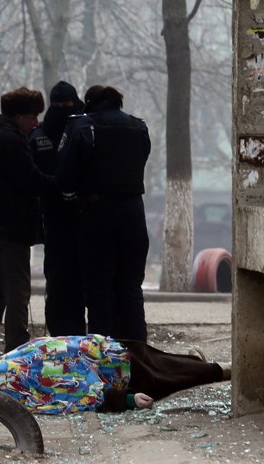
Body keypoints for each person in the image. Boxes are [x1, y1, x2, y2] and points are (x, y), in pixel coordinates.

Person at [57, 85, 151, 342]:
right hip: (133, 213)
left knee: (99, 290)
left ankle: (101, 355)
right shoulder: (138, 126)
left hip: (97, 213)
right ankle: (137, 352)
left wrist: (71, 199)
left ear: (89, 102)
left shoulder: (82, 126)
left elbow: (65, 174)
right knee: (131, 287)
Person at [0, 87, 55, 367]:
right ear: (18, 116)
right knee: (17, 294)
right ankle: (18, 353)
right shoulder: (11, 141)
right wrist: (61, 185)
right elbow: (31, 179)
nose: (36, 123)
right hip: (11, 233)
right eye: (32, 116)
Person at [0, 335, 231, 414]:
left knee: (167, 375)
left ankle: (209, 368)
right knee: (162, 363)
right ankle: (200, 365)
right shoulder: (4, 366)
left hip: (114, 369)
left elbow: (71, 393)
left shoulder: (10, 386)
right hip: (105, 348)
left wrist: (126, 400)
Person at [29, 81, 86, 336]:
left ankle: (71, 331)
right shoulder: (40, 135)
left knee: (76, 280)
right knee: (60, 281)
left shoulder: (84, 128)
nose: (64, 110)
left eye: (67, 105)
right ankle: (61, 332)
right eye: (59, 105)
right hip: (58, 217)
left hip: (80, 217)